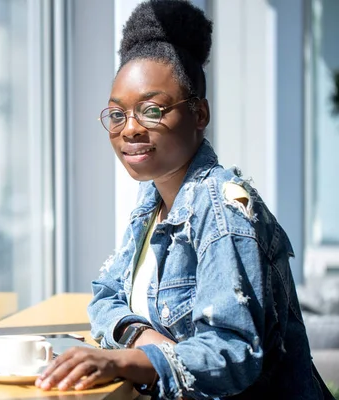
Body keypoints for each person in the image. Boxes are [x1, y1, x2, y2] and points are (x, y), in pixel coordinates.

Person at [36, 1, 332, 398]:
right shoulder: (152, 202)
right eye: (117, 114)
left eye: (152, 110)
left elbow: (234, 351)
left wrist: (120, 360)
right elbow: (106, 295)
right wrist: (142, 339)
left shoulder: (222, 210)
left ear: (200, 113)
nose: (130, 129)